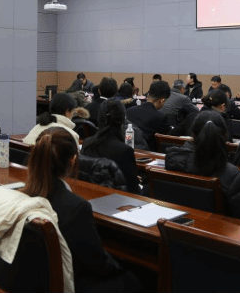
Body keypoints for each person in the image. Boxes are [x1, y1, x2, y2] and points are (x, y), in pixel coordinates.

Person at [21, 128, 139, 292]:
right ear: (73, 160)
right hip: (70, 283)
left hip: (33, 279)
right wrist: (124, 266)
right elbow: (98, 263)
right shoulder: (77, 207)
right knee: (134, 279)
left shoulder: (23, 195)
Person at [166, 117, 240, 223]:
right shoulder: (230, 173)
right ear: (225, 136)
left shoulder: (172, 160)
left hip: (173, 225)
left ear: (193, 136)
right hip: (217, 229)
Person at [82, 100, 141, 195]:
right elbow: (133, 189)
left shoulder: (87, 143)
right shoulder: (125, 150)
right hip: (118, 199)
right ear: (123, 119)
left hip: (90, 194)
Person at [126, 80, 171, 151]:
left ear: (148, 95)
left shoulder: (129, 111)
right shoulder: (160, 117)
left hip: (128, 151)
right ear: (162, 101)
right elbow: (168, 138)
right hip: (148, 154)